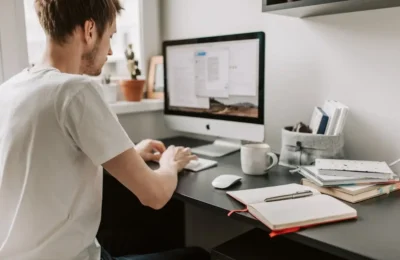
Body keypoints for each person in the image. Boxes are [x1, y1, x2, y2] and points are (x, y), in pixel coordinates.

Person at [0, 0, 210, 259]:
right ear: (89, 31)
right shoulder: (76, 91)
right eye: (109, 36)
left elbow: (46, 161)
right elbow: (155, 196)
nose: (110, 51)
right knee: (197, 255)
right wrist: (169, 164)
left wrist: (129, 153)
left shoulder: (10, 89)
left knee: (135, 236)